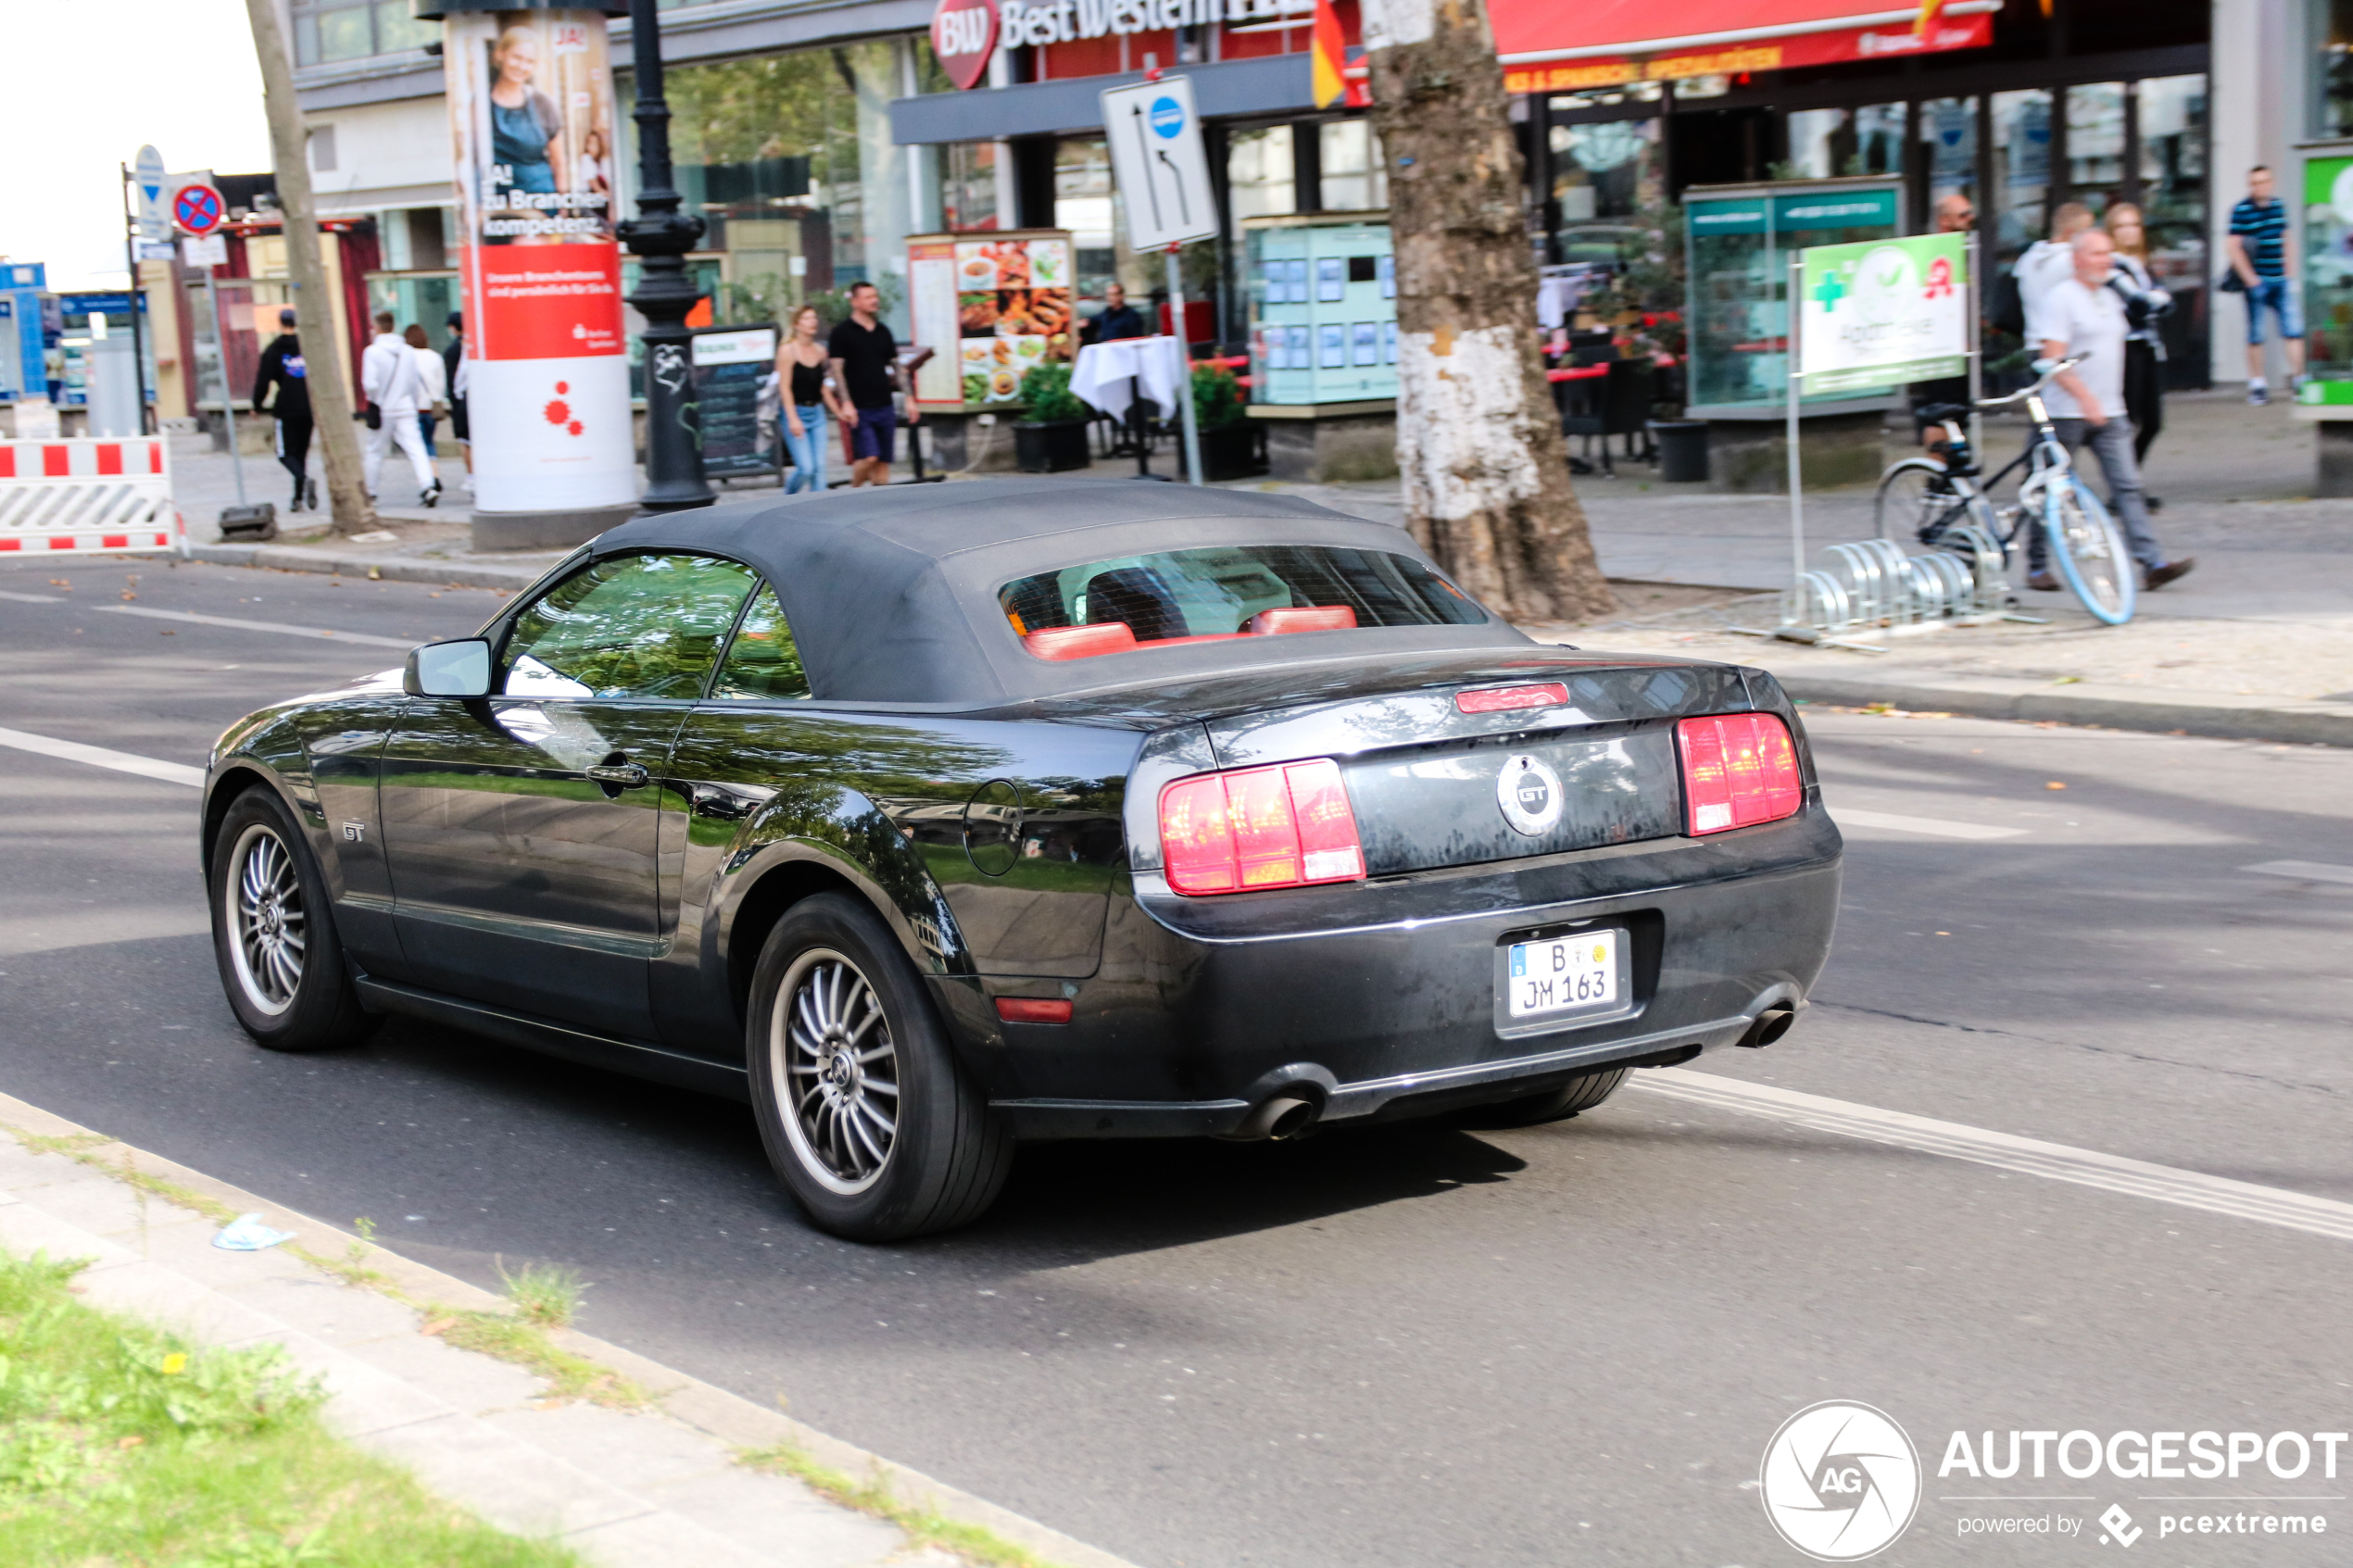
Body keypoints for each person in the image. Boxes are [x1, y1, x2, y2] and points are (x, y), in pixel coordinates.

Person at [2029, 229, 2193, 594]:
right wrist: (2084, 397)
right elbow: (2050, 359)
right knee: (2049, 489)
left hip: (2111, 411)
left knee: (2129, 486)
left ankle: (2152, 563)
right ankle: (2036, 565)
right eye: (2097, 254)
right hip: (2066, 413)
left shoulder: (2110, 296)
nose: (2105, 261)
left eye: (2109, 254)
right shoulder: (2061, 299)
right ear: (2077, 259)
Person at [2102, 203, 2171, 476]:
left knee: (2153, 422)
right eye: (2122, 226)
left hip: (2150, 346)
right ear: (2112, 231)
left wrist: (2155, 300)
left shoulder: (2143, 264)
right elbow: (2139, 306)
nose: (2129, 231)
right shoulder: (2113, 264)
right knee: (2129, 418)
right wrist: (2155, 300)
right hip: (2126, 347)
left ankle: (2130, 478)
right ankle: (2125, 484)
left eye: (2134, 225)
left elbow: (2166, 303)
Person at [826, 282, 917, 487]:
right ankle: (853, 491)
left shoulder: (883, 331)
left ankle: (880, 505)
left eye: (875, 296)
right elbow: (837, 372)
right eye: (868, 297)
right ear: (855, 302)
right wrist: (846, 403)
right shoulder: (841, 333)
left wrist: (909, 398)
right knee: (869, 457)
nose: (874, 300)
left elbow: (897, 367)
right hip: (860, 407)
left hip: (885, 404)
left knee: (883, 462)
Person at [1908, 192, 1978, 447]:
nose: (1971, 219)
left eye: (1971, 212)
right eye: (1964, 214)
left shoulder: (1962, 249)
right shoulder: (1934, 251)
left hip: (1960, 349)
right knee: (1940, 415)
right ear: (1945, 220)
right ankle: (1936, 477)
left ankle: (1952, 475)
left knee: (1959, 415)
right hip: (1939, 348)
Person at [2229, 164, 2302, 405]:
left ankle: (2299, 380)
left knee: (2293, 331)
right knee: (2256, 334)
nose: (2260, 186)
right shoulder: (2241, 210)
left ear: (2271, 183)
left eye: (2264, 181)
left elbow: (2287, 240)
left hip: (2280, 278)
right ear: (2250, 185)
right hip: (2257, 281)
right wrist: (2250, 278)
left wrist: (2290, 273)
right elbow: (2233, 248)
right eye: (2255, 182)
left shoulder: (2279, 207)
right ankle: (2258, 384)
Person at [361, 310, 439, 507]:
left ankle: (371, 492)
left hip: (383, 407)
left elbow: (369, 383)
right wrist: (410, 401)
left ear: (376, 328)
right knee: (416, 448)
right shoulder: (407, 351)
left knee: (375, 450)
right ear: (393, 327)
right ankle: (428, 486)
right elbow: (413, 381)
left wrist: (374, 399)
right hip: (405, 406)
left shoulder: (372, 352)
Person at [251, 307, 316, 513]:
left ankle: (303, 480)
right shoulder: (308, 346)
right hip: (308, 406)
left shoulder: (273, 350)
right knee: (300, 453)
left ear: (281, 323)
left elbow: (263, 382)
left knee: (284, 454)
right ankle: (297, 499)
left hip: (287, 407)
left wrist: (256, 405)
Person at [488, 26, 563, 202]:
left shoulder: (543, 103)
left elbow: (559, 162)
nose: (522, 66)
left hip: (543, 202)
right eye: (517, 57)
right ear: (500, 54)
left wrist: (563, 205)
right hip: (501, 208)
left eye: (530, 61)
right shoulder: (480, 104)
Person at [777, 304, 846, 494]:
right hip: (796, 411)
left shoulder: (820, 351)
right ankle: (785, 499)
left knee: (820, 469)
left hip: (817, 414)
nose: (813, 322)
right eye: (807, 318)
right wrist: (792, 418)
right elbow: (784, 387)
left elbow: (822, 387)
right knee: (806, 469)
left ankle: (819, 513)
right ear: (797, 323)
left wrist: (838, 411)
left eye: (814, 318)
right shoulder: (787, 350)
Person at [2016, 202, 2095, 343]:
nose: (2091, 235)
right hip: (2061, 343)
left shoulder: (2027, 259)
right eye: (2087, 230)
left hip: (2033, 341)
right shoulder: (2071, 261)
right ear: (2070, 232)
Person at [404, 323, 448, 458]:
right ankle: (434, 473)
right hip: (431, 408)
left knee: (418, 445)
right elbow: (441, 384)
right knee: (429, 441)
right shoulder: (435, 357)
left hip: (413, 407)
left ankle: (428, 475)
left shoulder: (406, 357)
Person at [442, 312, 472, 495]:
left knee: (466, 441)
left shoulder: (453, 350)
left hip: (462, 400)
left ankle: (471, 476)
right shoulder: (472, 345)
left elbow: (454, 381)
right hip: (471, 398)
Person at [1087, 281, 1147, 345]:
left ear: (1121, 296)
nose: (1110, 298)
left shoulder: (1131, 316)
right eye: (1108, 295)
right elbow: (1090, 321)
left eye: (1113, 295)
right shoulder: (1105, 314)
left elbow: (1136, 339)